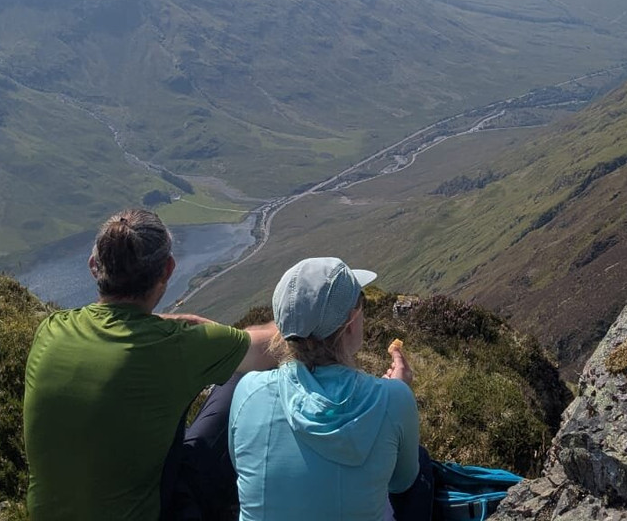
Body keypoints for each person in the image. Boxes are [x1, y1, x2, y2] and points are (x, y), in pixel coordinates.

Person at [23, 209, 278, 521]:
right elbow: (272, 348)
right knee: (239, 381)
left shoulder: (51, 329)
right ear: (168, 269)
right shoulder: (173, 346)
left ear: (94, 266)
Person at [228, 257, 434, 521]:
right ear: (350, 322)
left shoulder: (248, 392)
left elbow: (241, 466)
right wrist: (397, 393)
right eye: (361, 303)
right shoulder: (393, 399)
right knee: (421, 465)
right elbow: (402, 482)